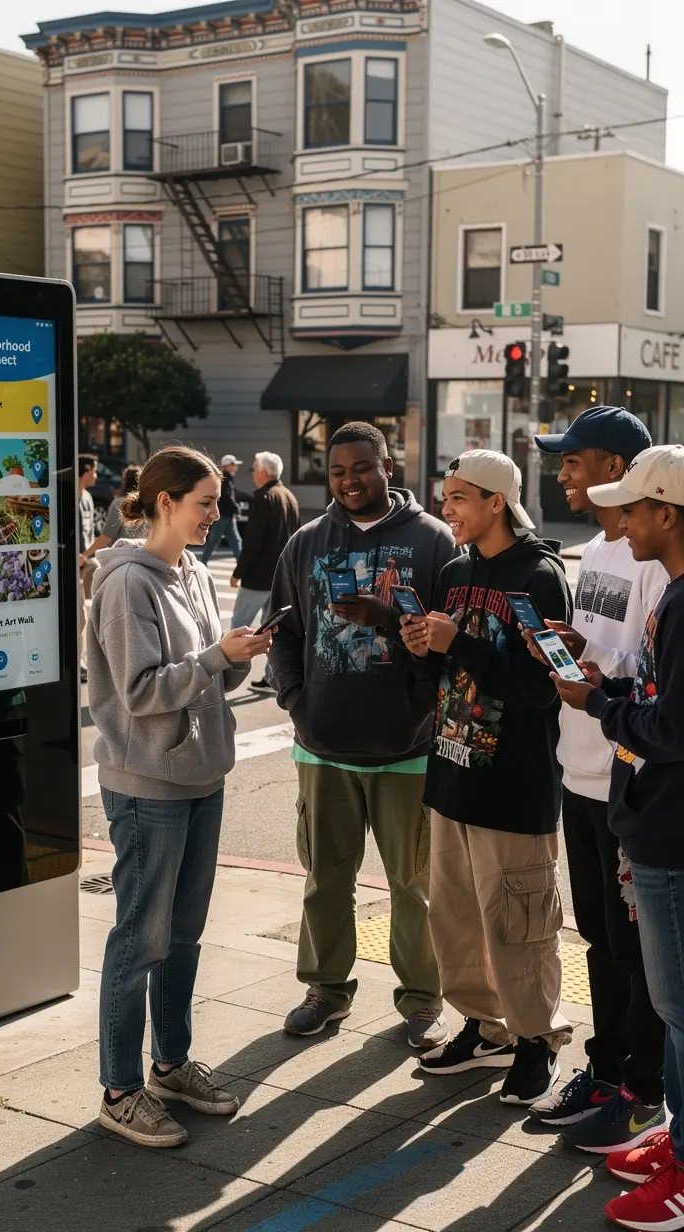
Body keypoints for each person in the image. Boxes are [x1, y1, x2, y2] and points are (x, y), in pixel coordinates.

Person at [87, 445, 272, 1149]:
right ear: (165, 502)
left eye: (219, 501)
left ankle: (168, 1064)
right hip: (147, 785)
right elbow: (138, 692)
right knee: (140, 938)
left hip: (201, 775)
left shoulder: (192, 570)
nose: (216, 515)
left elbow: (204, 677)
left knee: (183, 935)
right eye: (205, 502)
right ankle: (119, 1088)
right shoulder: (126, 583)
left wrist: (234, 655)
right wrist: (218, 658)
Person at [268, 421, 459, 1048]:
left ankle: (424, 999)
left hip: (408, 750)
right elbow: (286, 635)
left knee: (415, 885)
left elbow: (447, 644)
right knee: (326, 877)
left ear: (388, 466)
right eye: (338, 471)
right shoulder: (305, 542)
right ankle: (325, 990)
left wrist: (420, 699)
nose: (351, 480)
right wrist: (298, 704)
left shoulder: (434, 543)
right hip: (324, 747)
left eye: (362, 467)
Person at [401, 450, 574, 1106]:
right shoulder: (452, 571)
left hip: (515, 783)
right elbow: (438, 676)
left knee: (520, 924)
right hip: (451, 773)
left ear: (497, 500)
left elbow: (544, 688)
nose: (447, 508)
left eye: (460, 497)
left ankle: (537, 1042)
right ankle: (484, 1026)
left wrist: (459, 644)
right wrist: (418, 650)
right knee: (456, 918)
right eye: (445, 496)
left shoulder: (542, 577)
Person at [520, 408, 667, 1154]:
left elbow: (650, 681)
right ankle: (607, 1072)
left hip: (622, 777)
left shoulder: (653, 556)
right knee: (599, 940)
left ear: (616, 469)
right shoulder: (603, 550)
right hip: (579, 768)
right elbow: (608, 650)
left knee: (635, 948)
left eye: (572, 461)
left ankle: (641, 1091)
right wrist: (574, 647)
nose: (562, 474)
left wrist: (599, 678)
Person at [552, 444, 684, 1231]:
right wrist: (615, 687)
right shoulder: (672, 595)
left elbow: (670, 730)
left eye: (633, 509)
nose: (621, 522)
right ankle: (675, 1141)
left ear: (666, 512)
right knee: (673, 1007)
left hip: (671, 830)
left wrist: (603, 708)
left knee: (678, 1005)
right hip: (658, 823)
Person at [230, 451, 300, 691]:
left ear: (264, 472)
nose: (252, 474)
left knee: (239, 623)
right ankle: (273, 677)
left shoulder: (264, 498)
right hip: (280, 575)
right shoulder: (289, 496)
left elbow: (252, 541)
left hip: (258, 575)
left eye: (254, 469)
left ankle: (224, 670)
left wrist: (238, 571)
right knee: (273, 628)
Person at [201, 453, 243, 564]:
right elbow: (228, 497)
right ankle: (202, 563)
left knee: (235, 541)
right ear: (228, 465)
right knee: (215, 541)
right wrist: (236, 508)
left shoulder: (225, 478)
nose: (236, 467)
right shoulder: (225, 479)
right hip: (224, 516)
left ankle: (242, 566)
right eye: (234, 464)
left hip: (227, 516)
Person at [78, 453, 98, 683]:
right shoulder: (67, 498)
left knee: (83, 616)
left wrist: (88, 555)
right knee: (80, 617)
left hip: (85, 562)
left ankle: (81, 659)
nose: (96, 475)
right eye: (94, 470)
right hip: (73, 564)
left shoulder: (88, 498)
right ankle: (78, 660)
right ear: (85, 471)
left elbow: (89, 530)